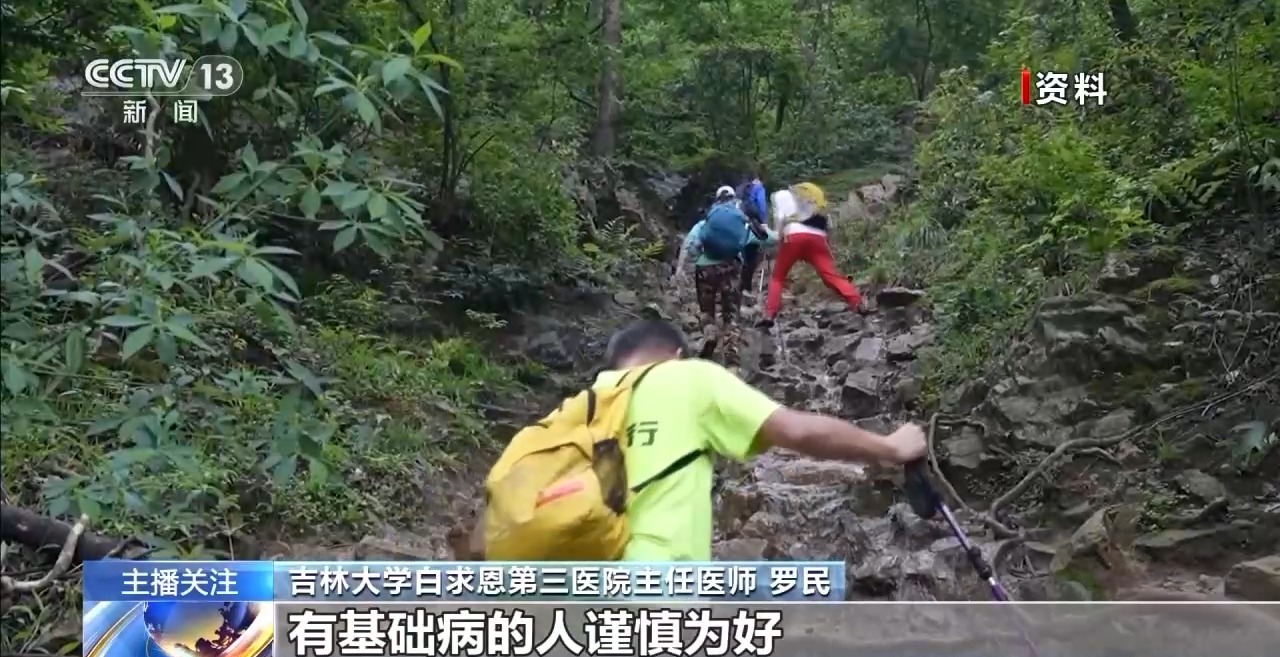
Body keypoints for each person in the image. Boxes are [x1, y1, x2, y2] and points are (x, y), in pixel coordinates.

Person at [594, 319, 927, 560]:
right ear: (675, 353)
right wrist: (890, 448)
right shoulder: (687, 375)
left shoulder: (584, 403)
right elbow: (797, 432)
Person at [674, 186, 776, 354]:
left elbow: (690, 244)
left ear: (717, 199)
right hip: (732, 268)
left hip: (705, 268)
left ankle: (710, 333)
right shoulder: (741, 222)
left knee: (706, 310)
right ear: (734, 199)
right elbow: (769, 239)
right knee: (731, 313)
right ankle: (731, 350)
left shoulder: (706, 221)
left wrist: (681, 269)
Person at [761, 182, 863, 326]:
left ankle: (770, 314)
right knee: (830, 275)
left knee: (778, 277)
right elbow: (829, 225)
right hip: (818, 237)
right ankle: (856, 301)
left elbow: (780, 222)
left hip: (793, 235)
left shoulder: (780, 195)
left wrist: (771, 234)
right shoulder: (809, 197)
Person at [736, 173, 769, 305]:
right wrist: (764, 222)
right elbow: (761, 205)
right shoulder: (759, 189)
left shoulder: (740, 189)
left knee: (742, 257)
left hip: (739, 224)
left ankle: (738, 288)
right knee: (752, 258)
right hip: (754, 225)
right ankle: (746, 288)